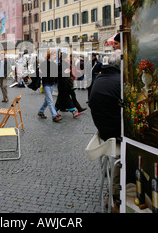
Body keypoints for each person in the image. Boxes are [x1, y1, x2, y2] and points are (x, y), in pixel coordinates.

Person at [88, 50, 122, 212]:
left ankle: (113, 194)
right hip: (115, 137)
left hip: (102, 132)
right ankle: (117, 197)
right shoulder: (119, 82)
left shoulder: (99, 79)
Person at [55, 52, 82, 118]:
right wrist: (64, 72)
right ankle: (73, 111)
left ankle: (54, 110)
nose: (68, 58)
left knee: (60, 99)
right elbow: (58, 74)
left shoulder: (64, 64)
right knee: (66, 97)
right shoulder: (60, 64)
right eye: (67, 57)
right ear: (65, 57)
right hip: (63, 84)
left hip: (65, 84)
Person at [37, 49, 61, 122]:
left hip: (51, 84)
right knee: (50, 101)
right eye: (54, 55)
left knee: (47, 100)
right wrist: (40, 71)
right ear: (50, 55)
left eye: (56, 55)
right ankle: (54, 116)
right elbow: (40, 72)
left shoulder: (54, 64)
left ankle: (40, 112)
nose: (56, 56)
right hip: (46, 84)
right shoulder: (44, 63)